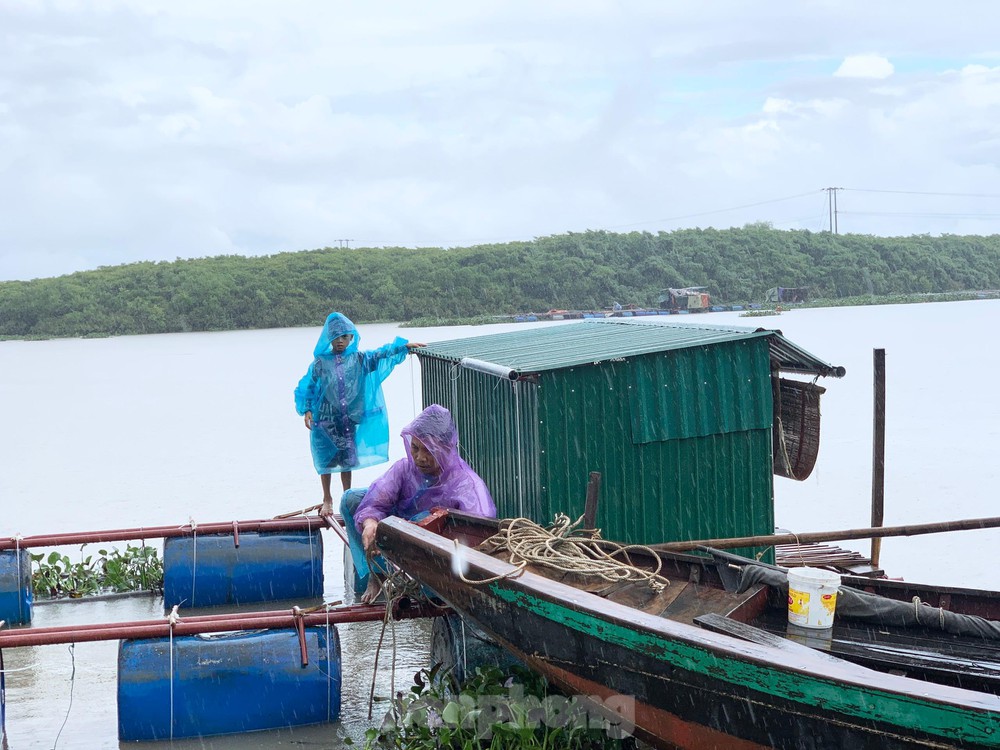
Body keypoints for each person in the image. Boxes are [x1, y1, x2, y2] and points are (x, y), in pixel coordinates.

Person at [341, 404, 497, 604]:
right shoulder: (405, 469)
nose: (420, 458)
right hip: (399, 531)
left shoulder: (468, 486)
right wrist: (370, 522)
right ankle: (378, 573)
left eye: (429, 451)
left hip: (435, 554)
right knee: (351, 500)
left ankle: (422, 585)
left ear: (447, 448)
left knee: (422, 520)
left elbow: (480, 537)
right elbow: (375, 501)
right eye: (415, 448)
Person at [294, 312, 424, 514]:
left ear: (351, 338)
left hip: (347, 420)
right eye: (336, 337)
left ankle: (347, 495)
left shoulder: (359, 359)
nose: (340, 341)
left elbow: (380, 354)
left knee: (346, 460)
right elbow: (308, 386)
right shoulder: (320, 363)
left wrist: (403, 347)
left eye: (344, 337)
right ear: (329, 338)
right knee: (326, 460)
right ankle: (327, 497)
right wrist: (307, 409)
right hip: (325, 420)